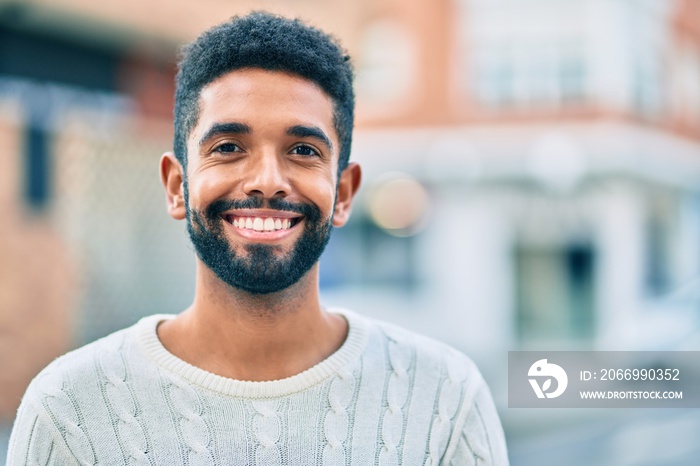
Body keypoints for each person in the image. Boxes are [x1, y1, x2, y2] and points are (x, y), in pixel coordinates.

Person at [7, 11, 508, 465]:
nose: (267, 179)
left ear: (344, 193)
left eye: (303, 150)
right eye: (228, 147)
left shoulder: (445, 401)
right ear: (177, 186)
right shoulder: (67, 411)